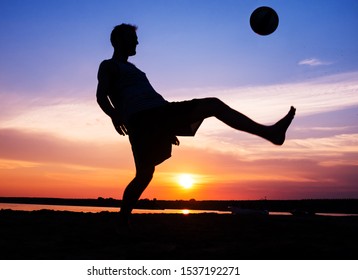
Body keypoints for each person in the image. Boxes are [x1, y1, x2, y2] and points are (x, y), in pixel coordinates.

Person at [96, 23, 296, 232]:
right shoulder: (109, 65)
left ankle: (122, 221)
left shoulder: (135, 70)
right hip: (145, 117)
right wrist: (113, 115)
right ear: (118, 41)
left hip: (157, 116)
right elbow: (101, 96)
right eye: (132, 37)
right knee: (212, 106)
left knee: (144, 174)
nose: (137, 41)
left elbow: (152, 98)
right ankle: (270, 133)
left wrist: (167, 128)